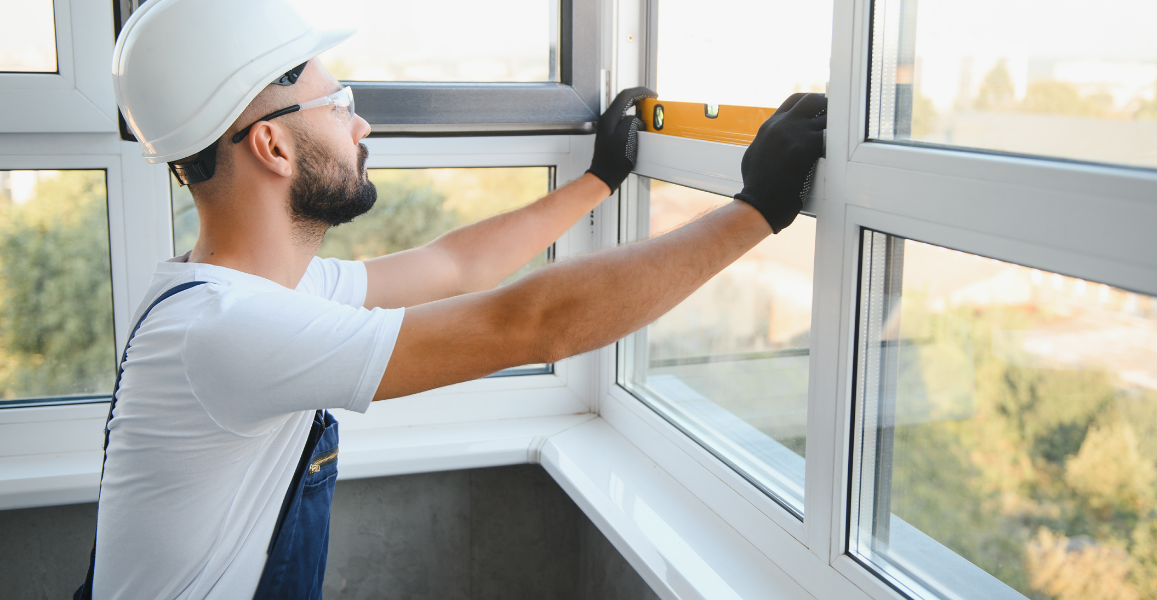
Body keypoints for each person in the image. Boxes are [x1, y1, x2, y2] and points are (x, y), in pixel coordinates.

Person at [81, 0, 827, 597]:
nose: (361, 122)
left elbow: (453, 264)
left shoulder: (254, 292)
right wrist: (758, 209)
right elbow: (533, 324)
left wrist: (599, 177)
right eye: (338, 102)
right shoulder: (230, 329)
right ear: (272, 145)